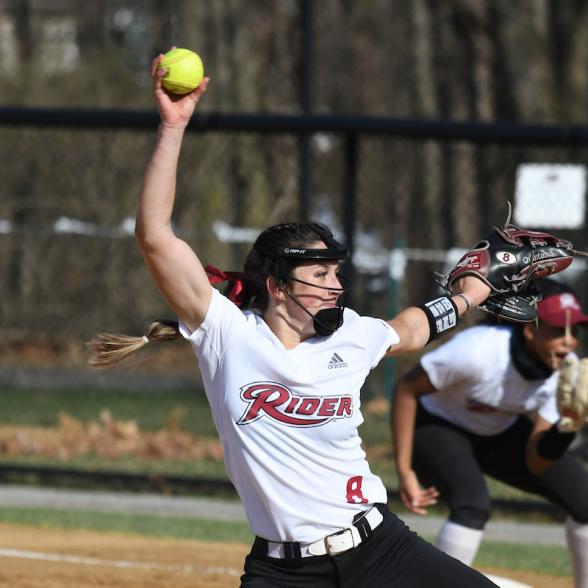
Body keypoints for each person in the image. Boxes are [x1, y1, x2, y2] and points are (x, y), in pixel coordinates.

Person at [90, 51, 506, 588]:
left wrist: (468, 295)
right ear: (278, 285)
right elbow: (154, 236)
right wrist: (174, 127)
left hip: (379, 547)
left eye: (337, 272)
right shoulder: (227, 335)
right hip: (284, 571)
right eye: (320, 273)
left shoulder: (352, 333)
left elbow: (409, 330)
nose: (335, 283)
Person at [392, 278, 588, 588]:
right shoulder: (479, 349)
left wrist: (567, 427)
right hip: (438, 423)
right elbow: (406, 389)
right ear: (529, 329)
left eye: (573, 331)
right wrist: (404, 471)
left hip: (499, 429)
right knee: (473, 504)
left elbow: (537, 461)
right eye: (556, 330)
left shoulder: (567, 372)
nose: (569, 341)